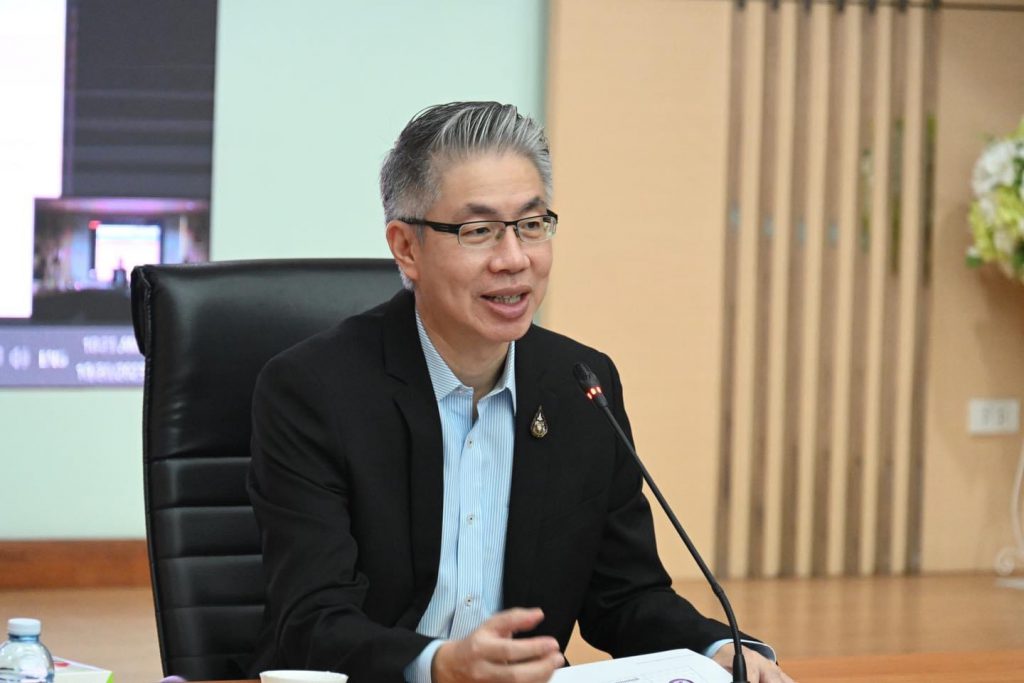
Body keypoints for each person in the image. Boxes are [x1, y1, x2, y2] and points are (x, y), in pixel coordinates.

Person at [247, 102, 794, 683]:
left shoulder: (582, 386)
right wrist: (441, 666)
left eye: (532, 225)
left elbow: (625, 596)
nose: (514, 260)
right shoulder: (313, 392)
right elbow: (312, 621)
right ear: (406, 248)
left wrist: (717, 648)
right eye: (478, 231)